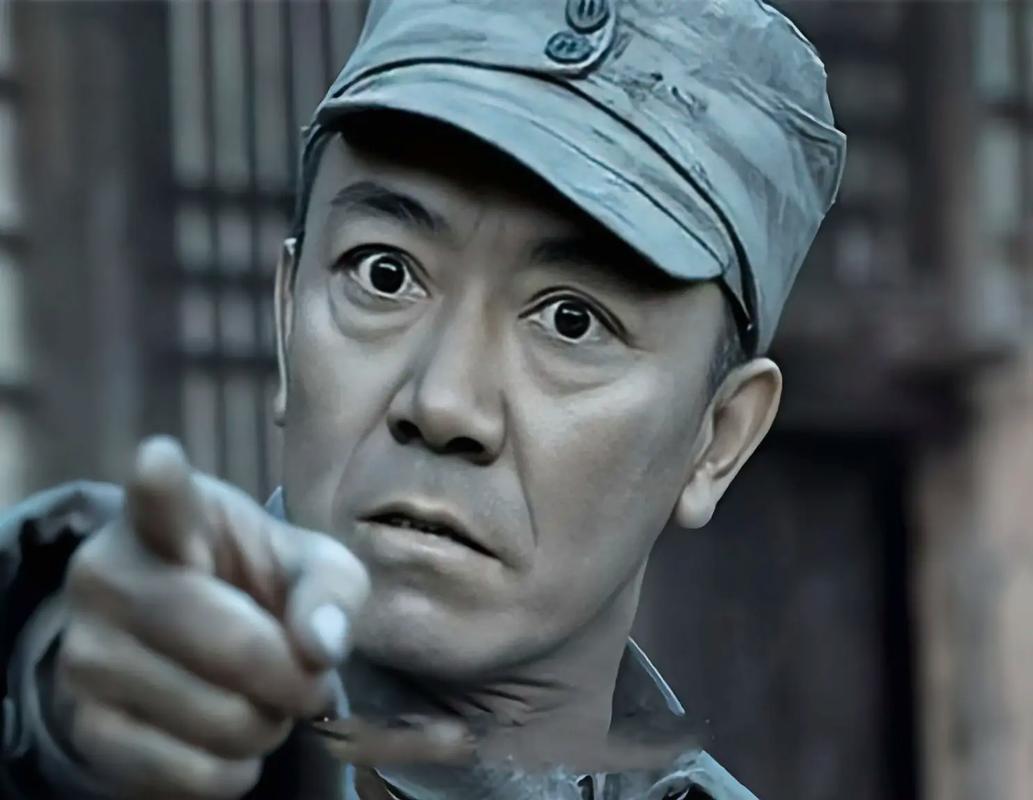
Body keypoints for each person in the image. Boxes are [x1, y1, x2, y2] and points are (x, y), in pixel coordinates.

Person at [0, 0, 846, 798]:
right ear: (287, 319)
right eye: (384, 274)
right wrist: (63, 711)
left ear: (716, 441)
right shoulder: (113, 711)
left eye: (572, 320)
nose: (443, 404)